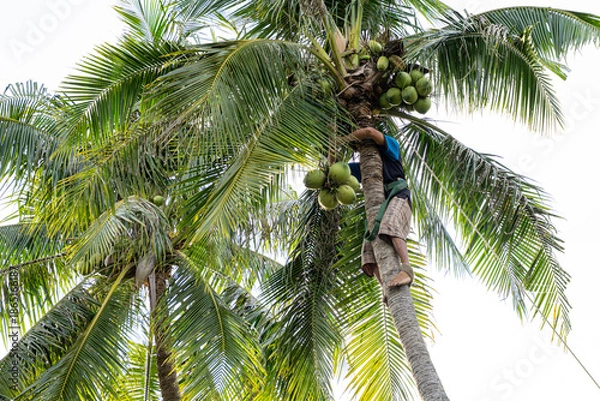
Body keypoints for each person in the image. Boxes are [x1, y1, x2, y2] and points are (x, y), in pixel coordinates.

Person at [344, 127, 414, 290]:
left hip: (399, 194)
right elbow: (334, 170)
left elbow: (369, 131)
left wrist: (342, 139)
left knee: (390, 224)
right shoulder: (364, 166)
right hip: (381, 204)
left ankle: (407, 269)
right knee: (368, 251)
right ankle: (386, 288)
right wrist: (332, 147)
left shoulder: (392, 148)